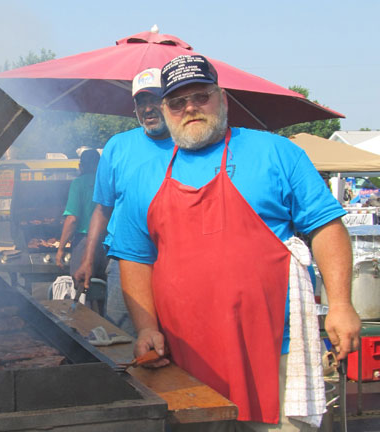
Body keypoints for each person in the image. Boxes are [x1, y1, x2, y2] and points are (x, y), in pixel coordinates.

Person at [110, 55, 361, 431]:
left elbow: (327, 227)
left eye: (201, 96)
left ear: (222, 99)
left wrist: (341, 304)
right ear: (165, 110)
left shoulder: (277, 153)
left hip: (276, 348)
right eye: (177, 102)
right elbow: (134, 257)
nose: (189, 108)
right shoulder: (144, 177)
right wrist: (146, 327)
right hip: (183, 356)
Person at [73, 67, 173, 335]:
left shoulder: (187, 143)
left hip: (175, 258)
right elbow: (102, 208)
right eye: (141, 101)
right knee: (125, 340)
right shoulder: (118, 146)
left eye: (155, 99)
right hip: (126, 263)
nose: (148, 108)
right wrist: (88, 258)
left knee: (178, 336)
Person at [55, 149, 106, 284]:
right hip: (106, 244)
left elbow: (72, 219)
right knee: (102, 288)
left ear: (81, 166)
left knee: (82, 287)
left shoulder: (78, 183)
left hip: (84, 243)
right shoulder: (107, 182)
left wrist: (61, 249)